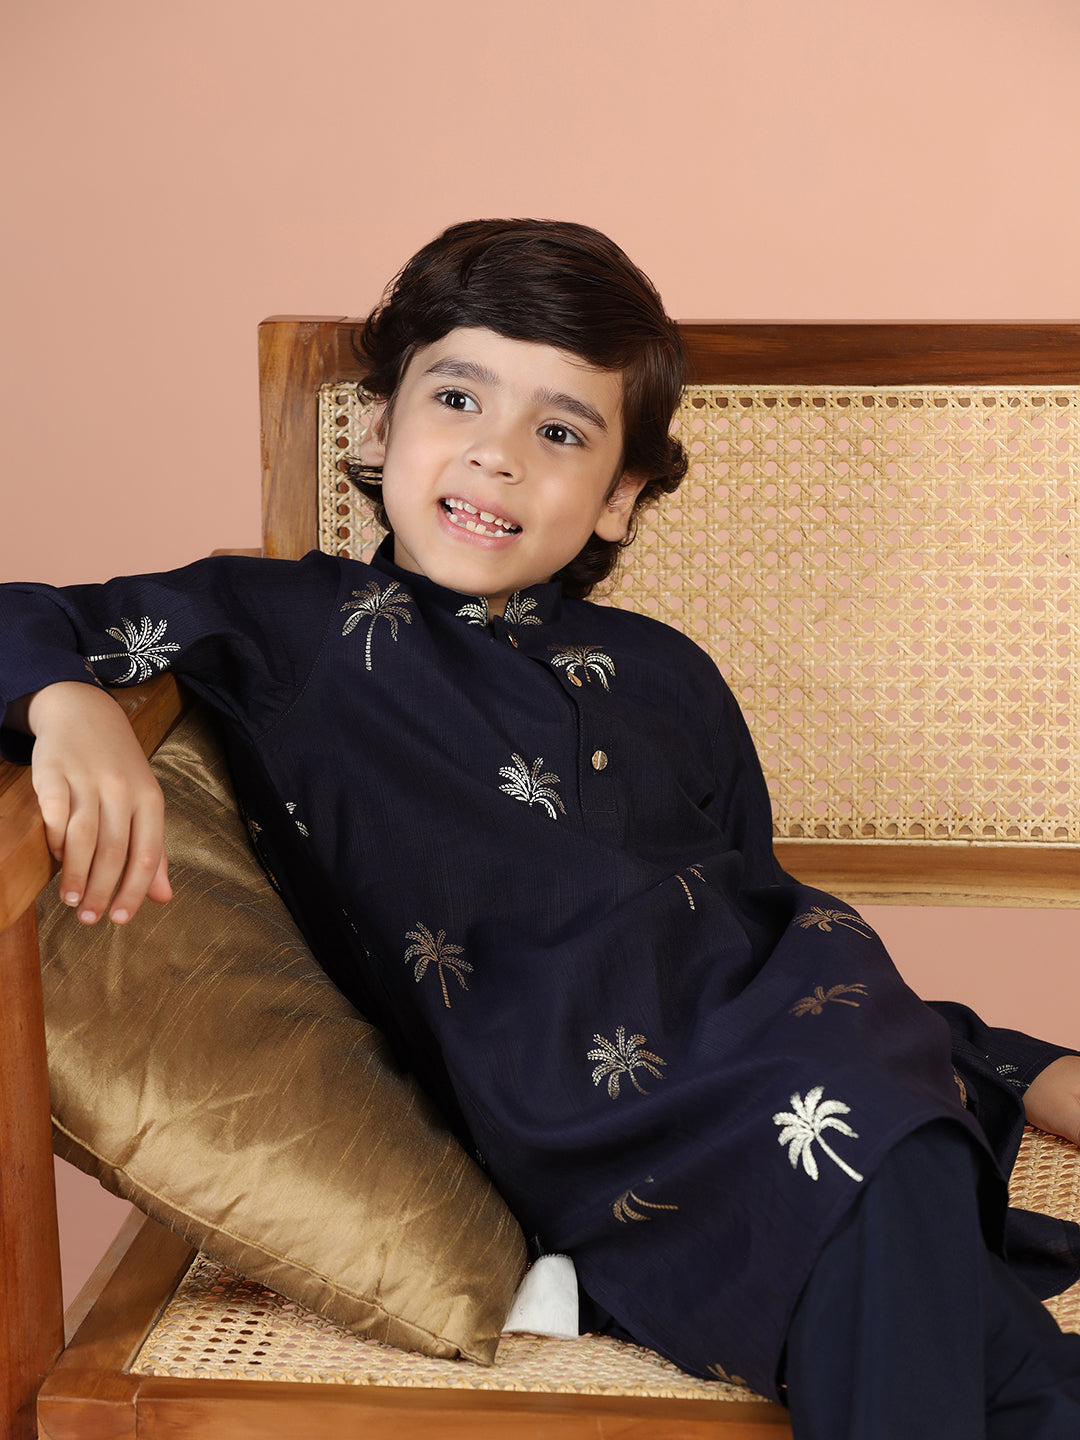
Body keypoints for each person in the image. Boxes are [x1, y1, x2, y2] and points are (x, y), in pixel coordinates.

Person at [2, 218, 1080, 1436]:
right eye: (458, 398)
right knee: (983, 1346)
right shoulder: (293, 627)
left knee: (948, 1284)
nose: (497, 455)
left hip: (815, 1078)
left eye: (559, 432)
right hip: (605, 1138)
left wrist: (1015, 1063)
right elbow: (21, 613)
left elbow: (769, 932)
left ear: (619, 499)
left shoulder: (670, 674)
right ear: (379, 427)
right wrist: (66, 700)